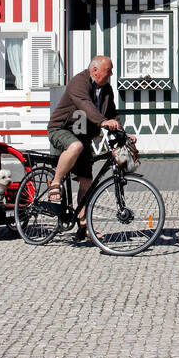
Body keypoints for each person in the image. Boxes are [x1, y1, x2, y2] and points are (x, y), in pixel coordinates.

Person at [46, 55, 122, 242]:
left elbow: (112, 113)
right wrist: (103, 122)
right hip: (61, 129)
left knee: (86, 183)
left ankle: (84, 227)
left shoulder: (106, 89)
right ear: (95, 70)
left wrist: (123, 133)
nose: (111, 74)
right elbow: (85, 105)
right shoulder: (78, 82)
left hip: (83, 135)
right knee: (75, 146)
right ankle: (55, 183)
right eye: (108, 70)